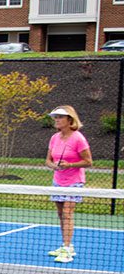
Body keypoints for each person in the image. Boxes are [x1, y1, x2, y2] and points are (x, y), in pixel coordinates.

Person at [44, 105, 92, 264]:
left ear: (69, 119)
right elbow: (48, 161)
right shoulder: (54, 138)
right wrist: (54, 166)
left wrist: (70, 165)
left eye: (60, 117)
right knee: (60, 214)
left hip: (74, 182)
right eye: (55, 117)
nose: (57, 120)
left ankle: (66, 250)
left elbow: (88, 162)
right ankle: (67, 245)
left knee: (67, 213)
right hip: (58, 181)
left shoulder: (78, 138)